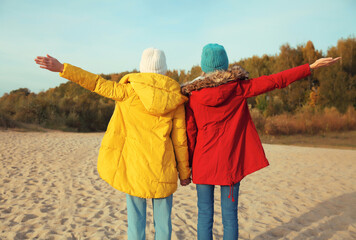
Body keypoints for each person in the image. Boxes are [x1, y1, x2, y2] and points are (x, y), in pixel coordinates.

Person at [181, 43, 340, 240]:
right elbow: (276, 80)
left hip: (203, 163)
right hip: (230, 164)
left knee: (204, 216)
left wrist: (186, 167)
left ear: (203, 66)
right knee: (230, 217)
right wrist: (310, 67)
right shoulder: (238, 88)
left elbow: (190, 133)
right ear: (225, 64)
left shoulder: (193, 96)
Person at [35, 48, 191, 240]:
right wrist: (184, 173)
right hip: (163, 169)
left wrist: (62, 68)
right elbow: (180, 141)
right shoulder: (174, 98)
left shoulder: (127, 91)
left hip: (134, 169)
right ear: (164, 70)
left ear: (142, 68)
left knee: (135, 225)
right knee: (163, 226)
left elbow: (96, 83)